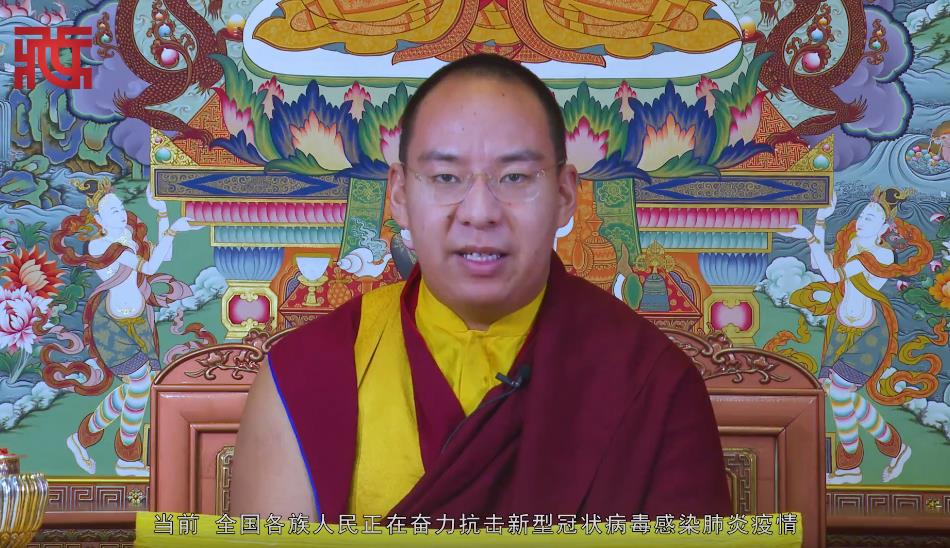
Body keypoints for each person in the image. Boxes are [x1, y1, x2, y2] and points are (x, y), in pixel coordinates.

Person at [230, 53, 731, 522]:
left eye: (514, 177)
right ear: (399, 194)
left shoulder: (651, 381)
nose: (480, 212)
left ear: (564, 195)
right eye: (446, 177)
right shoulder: (307, 374)